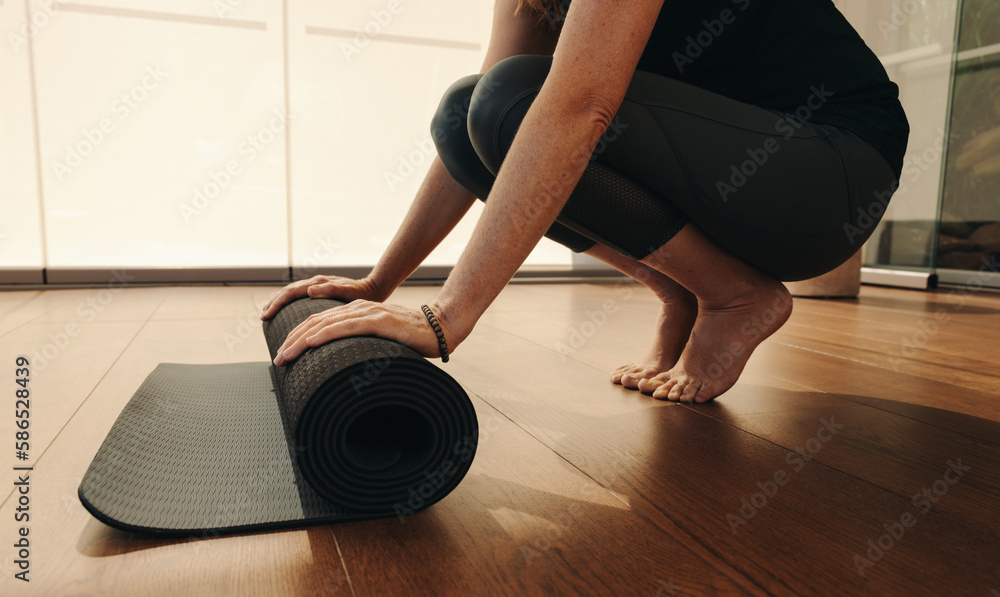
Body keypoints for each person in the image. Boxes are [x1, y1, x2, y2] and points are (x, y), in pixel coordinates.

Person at [262, 0, 909, 403]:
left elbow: (575, 109)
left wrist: (446, 316)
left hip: (830, 169)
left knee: (513, 101)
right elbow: (480, 124)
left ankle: (736, 294)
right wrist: (381, 283)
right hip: (734, 176)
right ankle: (687, 285)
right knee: (469, 110)